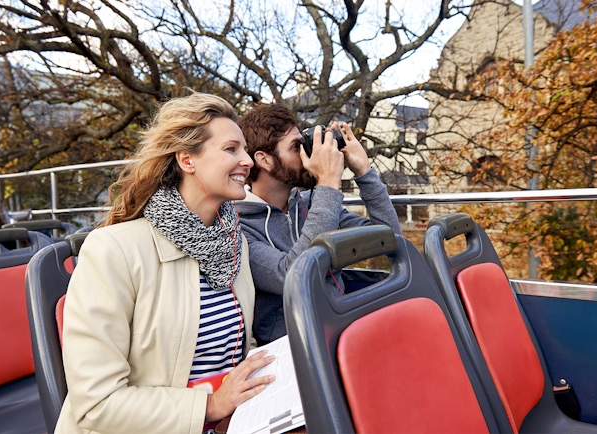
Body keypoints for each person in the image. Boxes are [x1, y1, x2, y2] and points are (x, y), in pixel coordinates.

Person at [56, 93, 275, 434]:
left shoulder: (235, 242)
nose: (248, 160)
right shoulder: (112, 250)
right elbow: (97, 403)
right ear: (187, 160)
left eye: (245, 149)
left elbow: (237, 351)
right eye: (232, 149)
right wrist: (212, 405)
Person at [236, 104, 403, 345]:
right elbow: (291, 275)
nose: (307, 155)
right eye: (296, 147)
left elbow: (389, 239)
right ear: (265, 160)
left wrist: (364, 172)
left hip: (345, 327)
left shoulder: (313, 202)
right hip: (293, 348)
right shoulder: (241, 226)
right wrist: (327, 183)